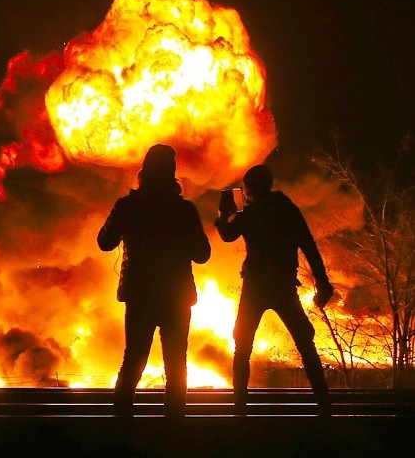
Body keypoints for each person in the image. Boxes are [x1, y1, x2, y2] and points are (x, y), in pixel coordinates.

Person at [97, 144, 211, 418]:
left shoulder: (127, 206)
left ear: (144, 172)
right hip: (176, 295)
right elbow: (202, 254)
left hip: (140, 293)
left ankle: (121, 423)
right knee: (176, 363)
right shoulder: (184, 209)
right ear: (172, 174)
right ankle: (174, 426)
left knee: (134, 359)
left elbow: (104, 242)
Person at [214, 164, 334, 417]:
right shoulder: (287, 209)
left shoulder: (251, 213)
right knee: (305, 343)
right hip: (283, 284)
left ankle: (239, 411)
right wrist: (322, 282)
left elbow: (227, 234)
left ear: (249, 190)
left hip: (256, 286)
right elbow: (309, 246)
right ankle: (325, 407)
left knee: (242, 346)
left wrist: (223, 215)